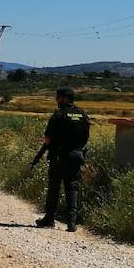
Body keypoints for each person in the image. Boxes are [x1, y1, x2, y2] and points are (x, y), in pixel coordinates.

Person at [34, 86, 90, 232]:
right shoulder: (82, 114)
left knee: (54, 188)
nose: (56, 100)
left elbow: (47, 139)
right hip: (76, 155)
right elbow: (86, 137)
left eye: (58, 97)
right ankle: (71, 223)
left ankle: (49, 219)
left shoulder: (58, 115)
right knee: (72, 188)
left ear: (63, 98)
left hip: (59, 156)